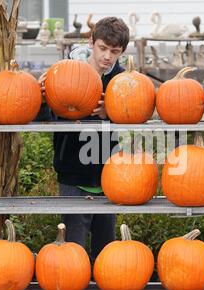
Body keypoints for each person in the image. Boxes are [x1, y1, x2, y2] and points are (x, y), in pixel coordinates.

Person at [37, 17, 129, 261]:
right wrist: (42, 100)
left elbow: (136, 115)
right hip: (72, 173)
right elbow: (45, 118)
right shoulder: (65, 73)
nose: (107, 56)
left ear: (122, 52)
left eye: (114, 51)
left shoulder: (122, 81)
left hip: (109, 176)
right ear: (92, 42)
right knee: (72, 251)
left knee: (105, 251)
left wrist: (113, 114)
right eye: (103, 48)